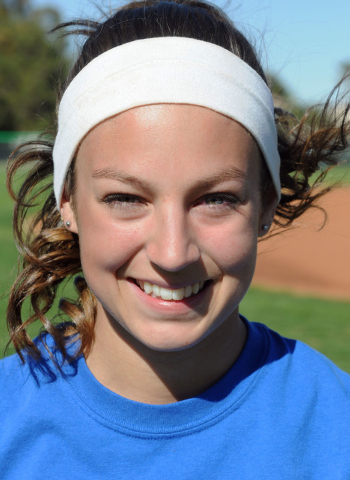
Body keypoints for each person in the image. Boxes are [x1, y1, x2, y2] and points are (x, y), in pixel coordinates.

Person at [1, 0, 350, 478]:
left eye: (216, 199)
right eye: (125, 197)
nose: (171, 253)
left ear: (265, 203)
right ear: (69, 201)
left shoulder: (335, 425)